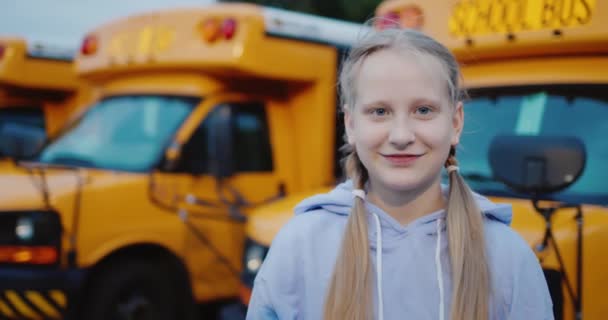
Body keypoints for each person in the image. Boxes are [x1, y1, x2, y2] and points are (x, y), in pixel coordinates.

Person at [246, 27, 553, 320]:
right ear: (351, 124)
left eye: (423, 110)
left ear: (455, 122)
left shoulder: (508, 257)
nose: (401, 135)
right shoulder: (299, 246)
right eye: (379, 112)